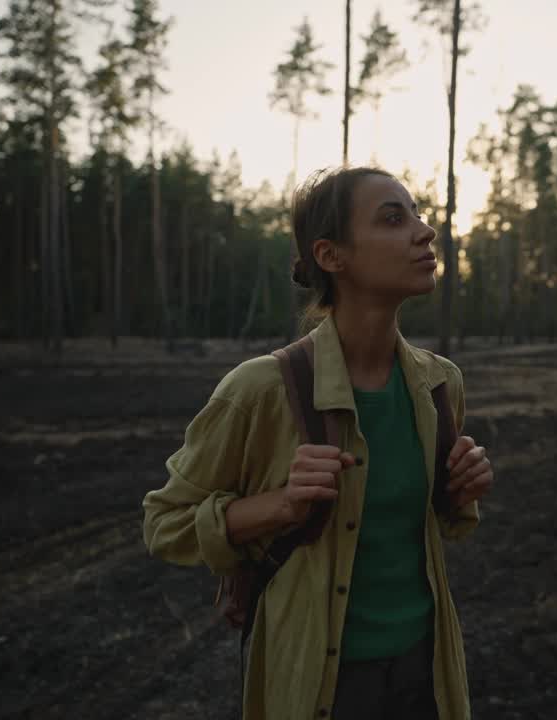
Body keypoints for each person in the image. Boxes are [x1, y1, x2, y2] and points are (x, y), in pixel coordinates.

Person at [142, 166, 495, 720]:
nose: (425, 232)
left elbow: (439, 525)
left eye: (418, 214)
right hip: (317, 681)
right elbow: (164, 524)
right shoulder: (260, 389)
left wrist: (457, 491)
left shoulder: (439, 382)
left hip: (427, 672)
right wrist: (279, 505)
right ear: (332, 256)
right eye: (393, 218)